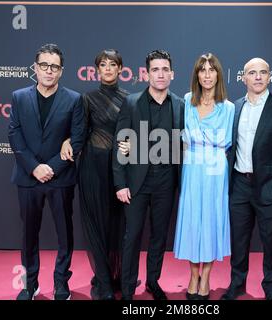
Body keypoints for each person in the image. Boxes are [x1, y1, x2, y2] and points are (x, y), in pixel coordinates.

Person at [8, 43, 85, 300]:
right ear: (35, 68)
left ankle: (61, 283)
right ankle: (30, 284)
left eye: (54, 67)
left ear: (61, 71)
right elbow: (14, 134)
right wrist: (34, 167)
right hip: (28, 178)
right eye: (44, 66)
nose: (49, 71)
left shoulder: (74, 99)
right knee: (28, 234)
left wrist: (51, 168)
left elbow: (76, 139)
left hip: (60, 178)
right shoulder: (19, 97)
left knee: (65, 234)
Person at [221, 58, 272, 300]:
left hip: (270, 187)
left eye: (262, 73)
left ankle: (270, 289)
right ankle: (237, 284)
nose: (257, 77)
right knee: (238, 239)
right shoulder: (234, 107)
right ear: (243, 78)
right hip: (239, 185)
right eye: (252, 73)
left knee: (270, 242)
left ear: (270, 77)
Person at [112, 50, 184, 300]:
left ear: (172, 74)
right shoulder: (131, 103)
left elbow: (180, 145)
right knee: (132, 236)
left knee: (159, 236)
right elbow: (121, 144)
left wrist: (140, 145)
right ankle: (129, 287)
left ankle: (153, 281)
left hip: (167, 181)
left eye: (165, 69)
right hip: (136, 182)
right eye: (155, 69)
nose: (160, 74)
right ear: (147, 74)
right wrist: (120, 183)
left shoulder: (180, 105)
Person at [60, 49, 130, 300]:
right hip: (92, 169)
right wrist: (67, 141)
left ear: (121, 69)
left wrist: (134, 145)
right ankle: (103, 281)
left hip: (121, 172)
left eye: (113, 64)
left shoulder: (130, 99)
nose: (108, 68)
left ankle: (117, 275)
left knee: (117, 225)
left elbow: (136, 134)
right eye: (103, 64)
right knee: (96, 226)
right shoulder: (86, 99)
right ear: (97, 70)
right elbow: (79, 133)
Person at [174, 53, 235, 300]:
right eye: (202, 70)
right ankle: (192, 275)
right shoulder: (187, 100)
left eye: (212, 70)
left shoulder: (228, 108)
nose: (207, 75)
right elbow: (180, 136)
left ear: (218, 74)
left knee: (211, 218)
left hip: (214, 169)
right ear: (196, 75)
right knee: (191, 219)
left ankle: (206, 276)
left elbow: (226, 141)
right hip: (191, 166)